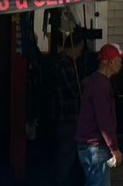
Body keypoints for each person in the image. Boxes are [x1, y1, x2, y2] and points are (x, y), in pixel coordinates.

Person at [75, 43, 123, 186]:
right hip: (95, 147)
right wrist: (114, 148)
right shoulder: (101, 85)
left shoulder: (95, 81)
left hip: (89, 146)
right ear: (111, 62)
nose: (121, 64)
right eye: (119, 60)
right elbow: (104, 120)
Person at [48, 32, 85, 186]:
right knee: (66, 156)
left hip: (61, 116)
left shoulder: (60, 61)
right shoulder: (66, 64)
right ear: (77, 47)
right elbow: (75, 91)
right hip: (67, 118)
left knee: (66, 155)